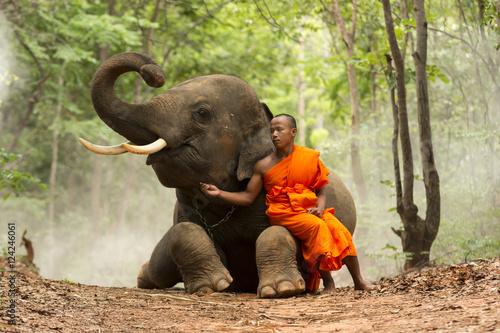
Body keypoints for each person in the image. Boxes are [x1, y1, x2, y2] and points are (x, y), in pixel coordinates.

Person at [200, 114, 374, 293]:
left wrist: (320, 208)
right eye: (271, 131)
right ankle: (328, 282)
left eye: (279, 130)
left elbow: (321, 190)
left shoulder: (308, 157)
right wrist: (219, 193)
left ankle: (358, 280)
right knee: (317, 228)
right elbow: (248, 197)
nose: (274, 134)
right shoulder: (263, 165)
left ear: (293, 132)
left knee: (340, 231)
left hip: (308, 209)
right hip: (283, 213)